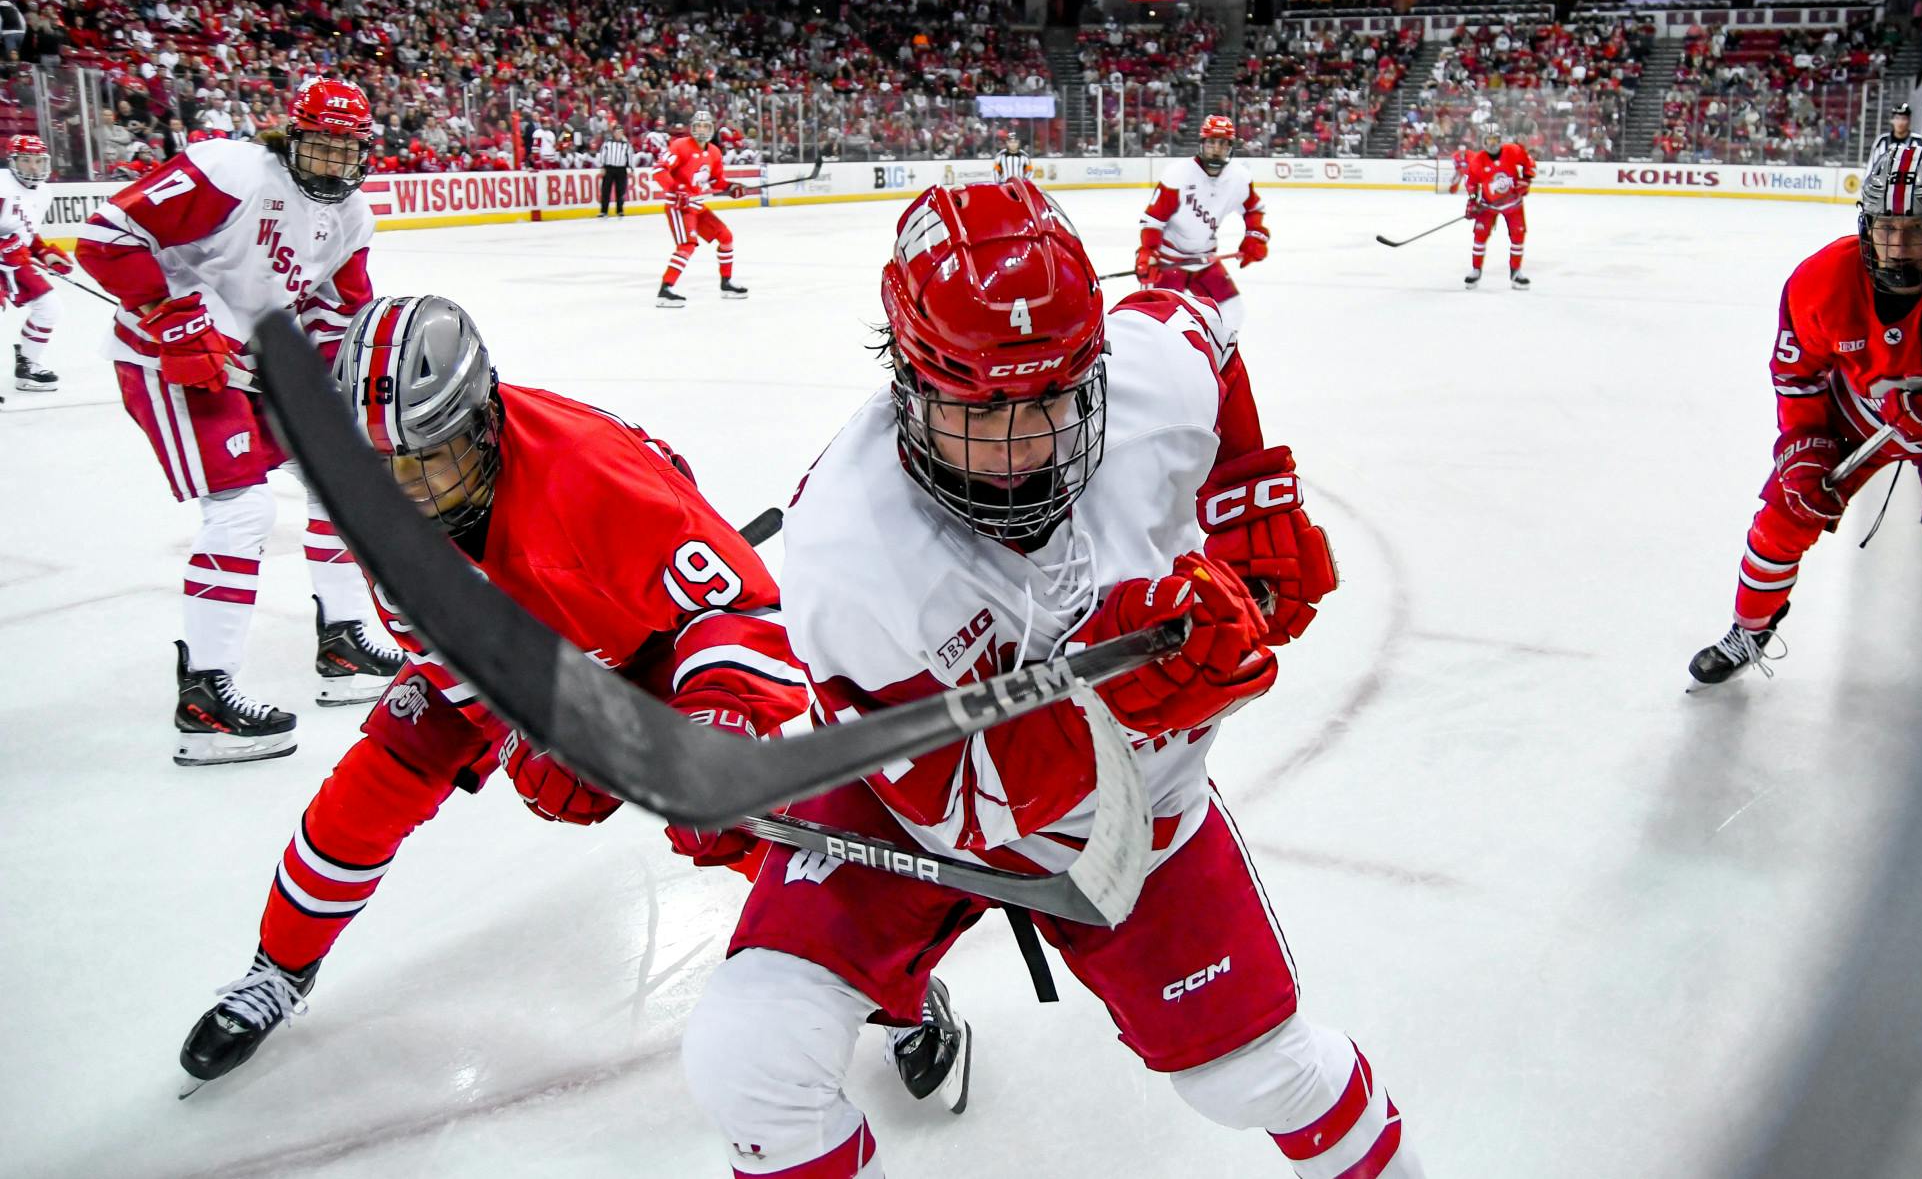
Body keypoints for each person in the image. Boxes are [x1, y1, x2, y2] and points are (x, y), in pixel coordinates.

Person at [682, 181, 1410, 1179]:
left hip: (1136, 817)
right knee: (747, 1057)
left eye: (1053, 402)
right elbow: (951, 805)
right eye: (977, 413)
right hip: (913, 801)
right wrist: (1125, 690)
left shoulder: (1147, 370)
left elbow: (1201, 324)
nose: (1023, 452)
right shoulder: (850, 546)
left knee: (1258, 1078)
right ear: (907, 378)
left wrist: (1250, 492)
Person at [177, 296, 968, 1108]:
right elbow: (443, 651)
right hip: (504, 642)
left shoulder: (590, 478)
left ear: (482, 423)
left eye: (430, 462)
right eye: (387, 472)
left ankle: (892, 984)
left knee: (735, 819)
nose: (406, 492)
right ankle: (278, 966)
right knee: (374, 781)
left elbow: (745, 606)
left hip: (639, 642)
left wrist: (716, 719)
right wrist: (526, 736)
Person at [73, 79, 403, 764]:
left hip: (248, 360)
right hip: (166, 360)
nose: (334, 163)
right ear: (291, 136)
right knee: (243, 509)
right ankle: (204, 697)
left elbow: (337, 312)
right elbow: (105, 239)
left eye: (348, 151)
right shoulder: (229, 170)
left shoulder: (352, 219)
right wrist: (171, 316)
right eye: (320, 146)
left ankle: (342, 643)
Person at [1689, 143, 1922, 684]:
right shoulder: (1820, 280)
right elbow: (1795, 376)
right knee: (1784, 517)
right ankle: (1750, 628)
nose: (1899, 247)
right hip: (1855, 417)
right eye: (1886, 228)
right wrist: (1804, 448)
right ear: (1865, 224)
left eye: (1918, 229)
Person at [1134, 114, 1270, 346]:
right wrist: (1148, 252)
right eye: (1211, 143)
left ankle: (1213, 358)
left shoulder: (1239, 177)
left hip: (1204, 261)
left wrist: (1254, 237)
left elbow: (1254, 210)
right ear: (1202, 144)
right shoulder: (1178, 175)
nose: (1216, 149)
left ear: (1231, 147)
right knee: (1157, 322)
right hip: (1169, 262)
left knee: (1233, 311)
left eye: (1223, 144)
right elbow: (1153, 220)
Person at [654, 109, 748, 307]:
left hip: (696, 204)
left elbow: (717, 181)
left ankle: (726, 283)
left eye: (706, 126)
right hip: (679, 206)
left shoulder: (714, 152)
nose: (702, 130)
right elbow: (659, 170)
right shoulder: (680, 146)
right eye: (698, 126)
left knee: (725, 236)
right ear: (692, 128)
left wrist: (731, 187)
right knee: (687, 245)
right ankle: (665, 289)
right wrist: (676, 189)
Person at [0, 134, 70, 393]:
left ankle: (29, 365)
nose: (33, 167)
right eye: (26, 160)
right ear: (12, 161)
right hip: (5, 258)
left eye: (38, 161)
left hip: (12, 261)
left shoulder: (44, 193)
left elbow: (25, 233)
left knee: (50, 308)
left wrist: (43, 253)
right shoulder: (1, 185)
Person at [1453, 127, 1534, 288]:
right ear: (1483, 142)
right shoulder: (1477, 160)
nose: (1492, 144)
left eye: (1495, 140)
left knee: (1518, 236)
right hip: (1488, 206)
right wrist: (1473, 202)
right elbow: (1471, 184)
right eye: (1489, 140)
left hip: (1513, 204)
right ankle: (1476, 270)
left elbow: (1528, 162)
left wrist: (1526, 179)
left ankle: (1516, 272)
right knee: (1479, 236)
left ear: (1500, 140)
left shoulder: (1512, 150)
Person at [1868, 102, 1922, 168]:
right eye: (1897, 118)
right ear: (1892, 120)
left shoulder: (1918, 141)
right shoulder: (1882, 140)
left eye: (1904, 119)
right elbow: (1871, 166)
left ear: (1909, 120)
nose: (1900, 122)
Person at [597, 125, 633, 217]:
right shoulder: (607, 143)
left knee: (620, 191)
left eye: (620, 132)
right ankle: (604, 211)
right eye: (617, 132)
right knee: (606, 190)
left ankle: (620, 210)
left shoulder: (626, 144)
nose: (618, 134)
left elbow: (629, 157)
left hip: (621, 169)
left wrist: (630, 168)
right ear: (613, 133)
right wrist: (602, 166)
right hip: (609, 168)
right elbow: (602, 155)